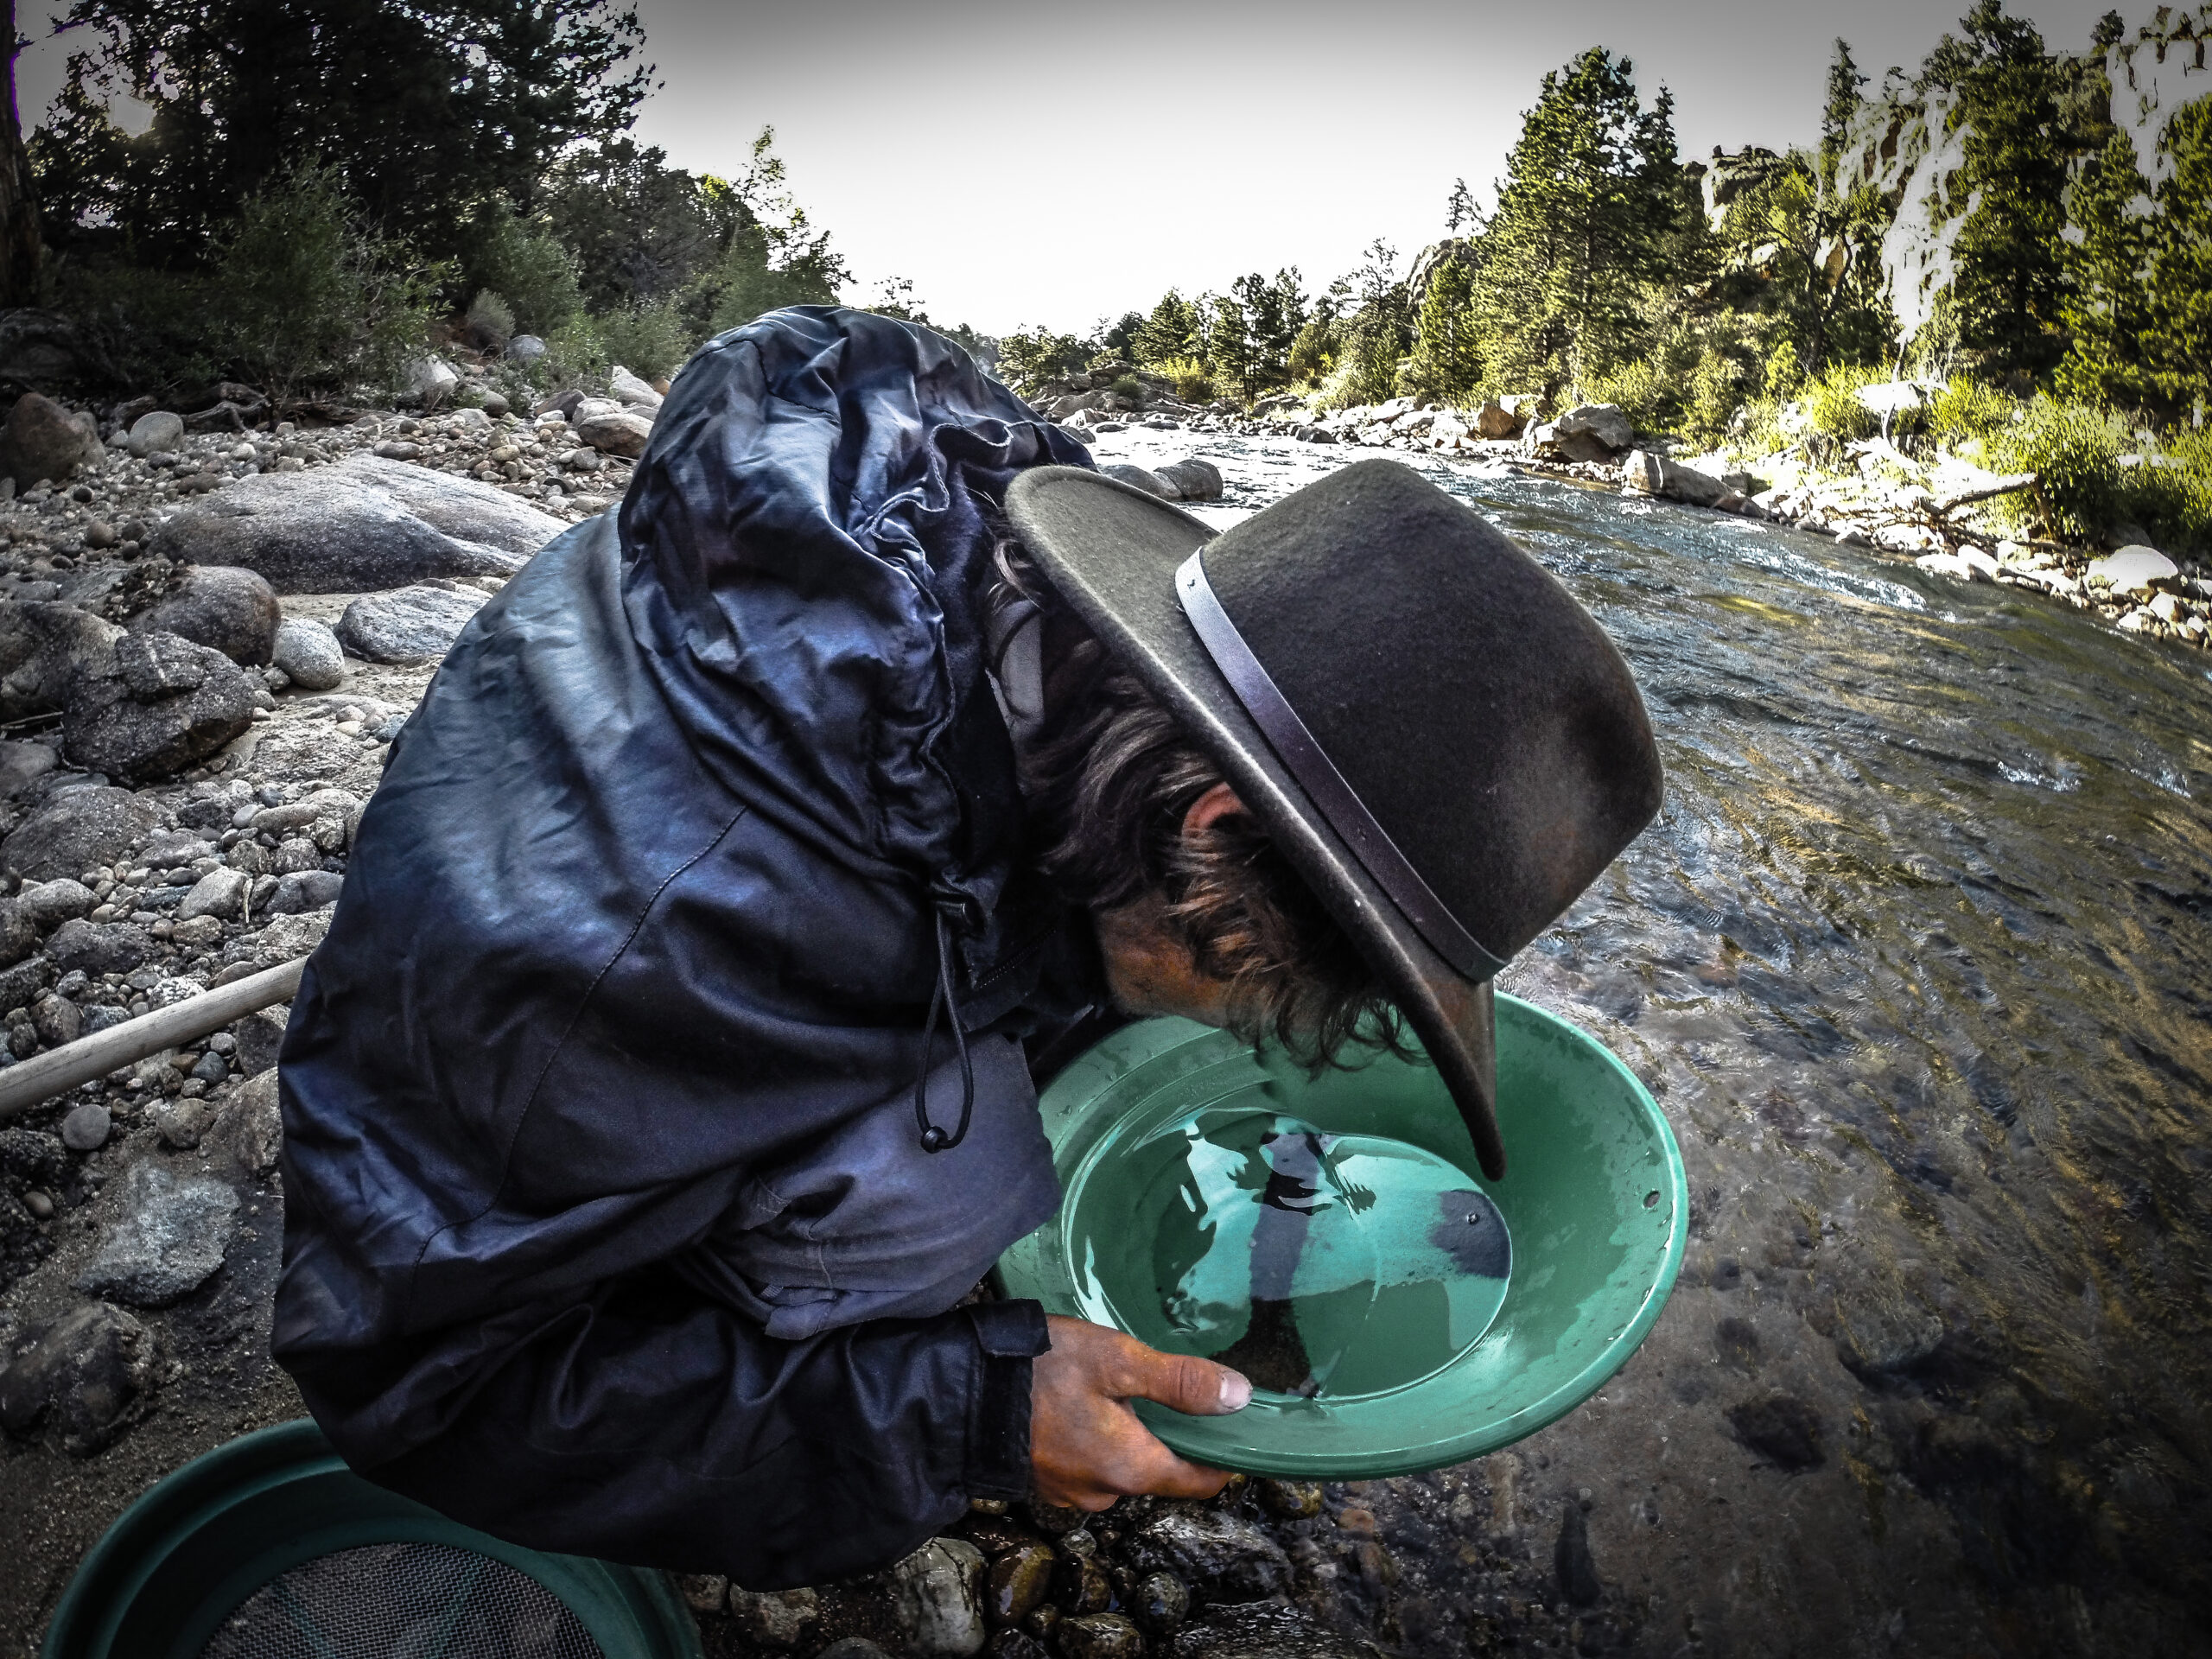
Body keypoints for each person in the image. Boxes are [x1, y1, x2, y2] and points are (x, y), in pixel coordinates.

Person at [272, 307, 1662, 1589]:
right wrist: (964, 1417)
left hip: (663, 915)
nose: (1267, 1026)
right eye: (1288, 977)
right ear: (1213, 826)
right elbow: (417, 1386)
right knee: (954, 1191)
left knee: (1116, 1028)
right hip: (527, 1107)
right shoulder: (654, 965)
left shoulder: (1022, 623)